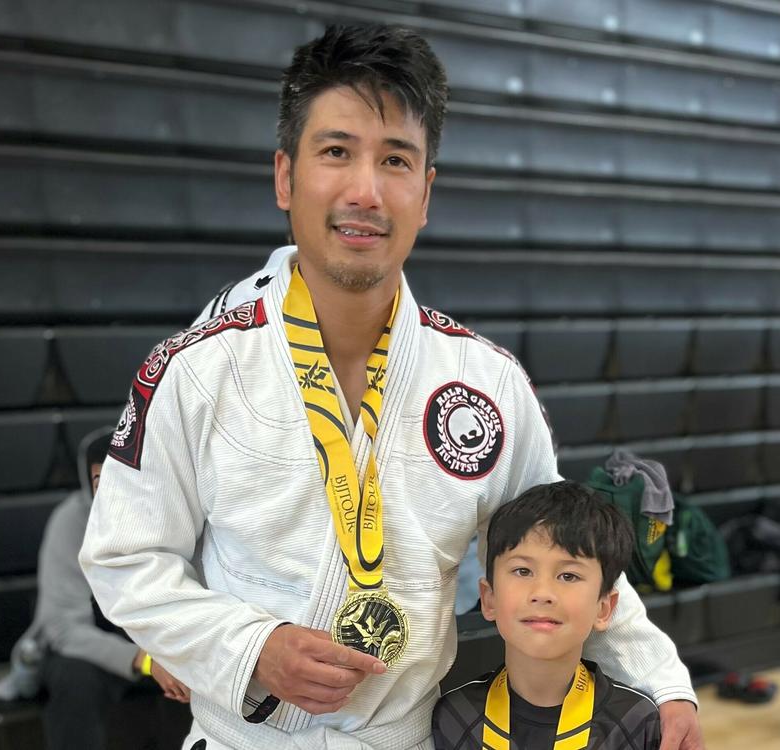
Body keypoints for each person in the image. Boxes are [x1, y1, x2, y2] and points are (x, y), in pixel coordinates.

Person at [81, 24, 703, 749]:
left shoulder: (485, 384)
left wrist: (661, 682)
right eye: (337, 152)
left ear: (426, 191)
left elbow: (568, 552)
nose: (366, 191)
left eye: (396, 160)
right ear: (285, 175)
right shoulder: (196, 369)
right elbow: (125, 558)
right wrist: (250, 648)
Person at [0, 426, 191, 750]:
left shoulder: (169, 510)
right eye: (102, 480)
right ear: (88, 484)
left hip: (161, 641)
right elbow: (62, 628)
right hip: (99, 648)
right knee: (74, 677)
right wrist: (144, 661)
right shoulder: (71, 522)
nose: (114, 490)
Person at [433, 480, 661, 749]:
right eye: (523, 571)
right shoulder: (454, 716)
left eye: (568, 575)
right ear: (489, 598)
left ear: (604, 608)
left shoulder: (635, 721)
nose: (542, 593)